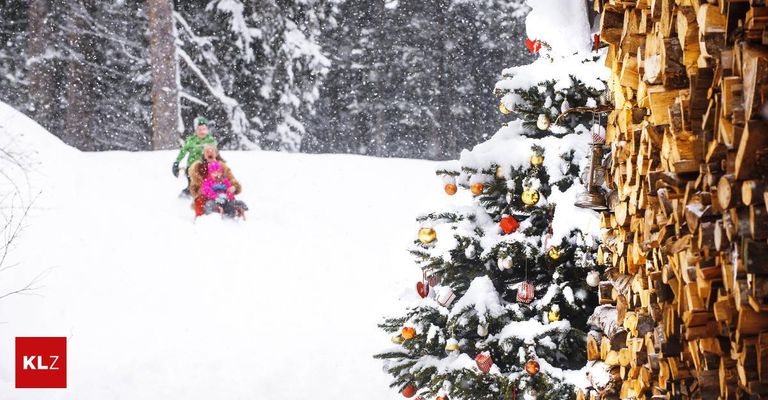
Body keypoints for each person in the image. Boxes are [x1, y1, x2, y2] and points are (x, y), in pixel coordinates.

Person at [189, 144, 247, 217]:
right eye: (207, 151)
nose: (210, 152)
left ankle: (234, 211)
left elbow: (232, 181)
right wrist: (204, 191)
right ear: (204, 154)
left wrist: (234, 188)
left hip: (224, 197)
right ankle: (204, 218)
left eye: (212, 150)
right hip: (207, 196)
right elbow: (194, 186)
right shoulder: (199, 168)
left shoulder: (223, 167)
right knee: (202, 203)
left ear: (216, 153)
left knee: (230, 203)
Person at [172, 116, 217, 196]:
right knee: (193, 183)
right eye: (199, 129)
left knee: (208, 181)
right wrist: (177, 162)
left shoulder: (210, 140)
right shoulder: (191, 140)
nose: (202, 132)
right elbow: (183, 151)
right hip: (192, 166)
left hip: (206, 166)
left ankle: (208, 192)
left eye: (204, 129)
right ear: (196, 130)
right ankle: (189, 192)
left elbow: (214, 153)